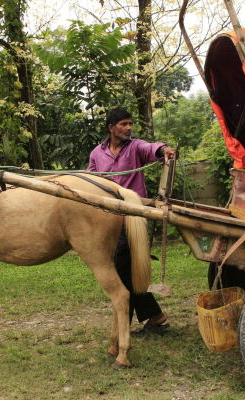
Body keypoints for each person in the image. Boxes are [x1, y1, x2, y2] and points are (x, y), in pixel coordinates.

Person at [87, 107, 177, 332]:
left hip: (135, 217)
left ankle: (125, 323)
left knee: (121, 266)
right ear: (111, 128)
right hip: (109, 219)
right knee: (127, 268)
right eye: (123, 124)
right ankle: (154, 316)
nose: (129, 128)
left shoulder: (136, 147)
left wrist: (164, 149)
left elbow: (152, 148)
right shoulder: (97, 154)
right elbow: (90, 180)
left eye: (130, 124)